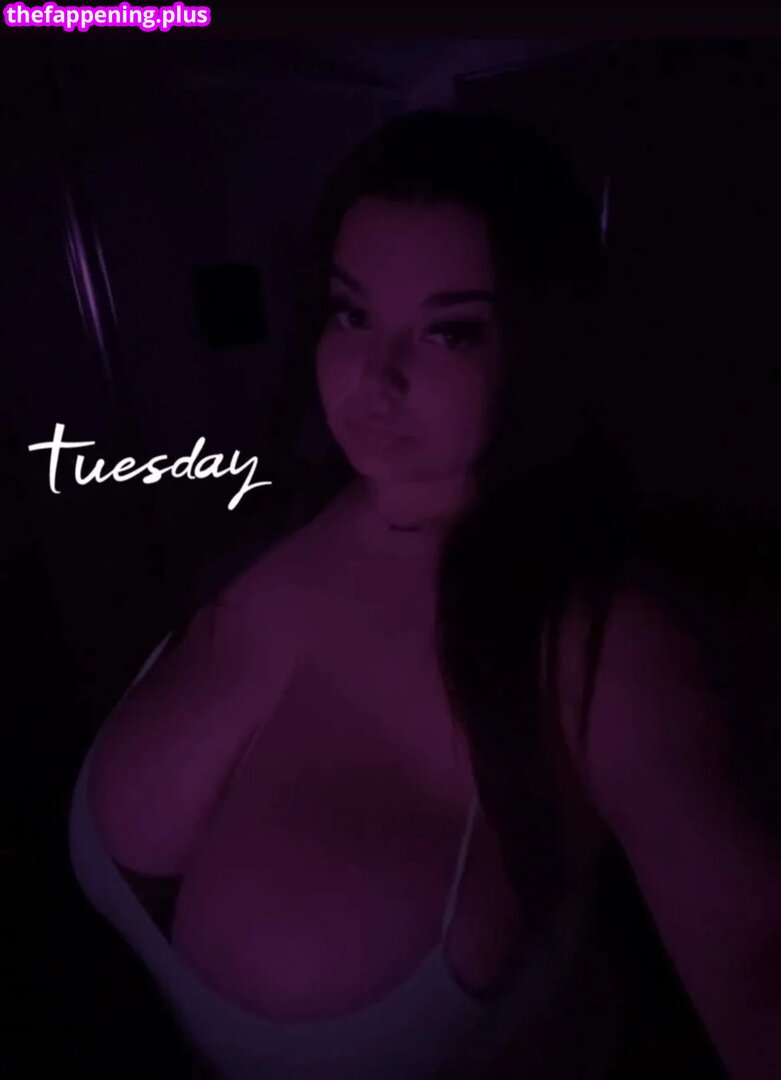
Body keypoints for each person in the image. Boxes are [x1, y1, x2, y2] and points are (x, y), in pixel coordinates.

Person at [68, 109, 780, 1078]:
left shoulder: (606, 647)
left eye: (448, 332)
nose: (377, 375)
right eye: (351, 313)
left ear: (540, 343)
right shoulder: (265, 521)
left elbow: (753, 957)